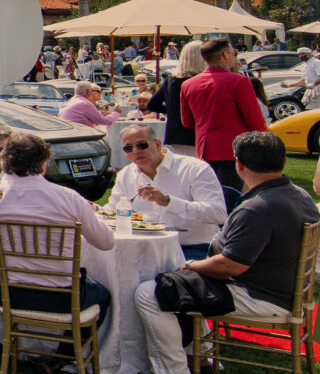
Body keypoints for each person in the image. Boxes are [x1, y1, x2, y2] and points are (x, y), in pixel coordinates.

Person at [132, 131, 318, 374]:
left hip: (256, 293)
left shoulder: (258, 208)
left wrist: (190, 266)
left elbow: (230, 266)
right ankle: (201, 356)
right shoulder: (299, 195)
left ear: (238, 164)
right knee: (175, 284)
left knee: (149, 292)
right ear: (284, 162)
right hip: (282, 287)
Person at [0, 134, 116, 364]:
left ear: (4, 162)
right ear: (44, 165)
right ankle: (60, 358)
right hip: (60, 297)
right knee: (102, 295)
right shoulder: (69, 198)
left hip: (5, 292)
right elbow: (106, 242)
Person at [109, 123, 227, 258]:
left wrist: (169, 202)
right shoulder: (126, 174)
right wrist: (95, 210)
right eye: (128, 148)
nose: (135, 151)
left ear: (158, 144)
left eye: (142, 145)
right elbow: (112, 213)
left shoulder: (194, 168)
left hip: (190, 247)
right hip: (144, 248)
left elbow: (218, 214)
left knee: (162, 278)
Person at [180, 37, 268, 190]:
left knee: (209, 195)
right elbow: (255, 120)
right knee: (232, 196)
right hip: (234, 149)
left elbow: (187, 122)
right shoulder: (239, 81)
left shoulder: (188, 84)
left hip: (204, 149)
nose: (235, 56)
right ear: (226, 55)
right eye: (233, 52)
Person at [147, 42, 204, 156]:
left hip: (176, 132)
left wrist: (172, 111)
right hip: (196, 132)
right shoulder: (200, 81)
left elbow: (152, 104)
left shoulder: (171, 79)